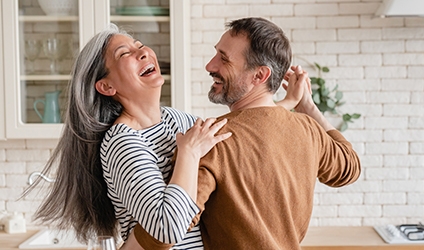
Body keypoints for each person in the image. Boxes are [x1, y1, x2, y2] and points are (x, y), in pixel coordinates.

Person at [135, 17, 362, 249]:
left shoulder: (211, 140)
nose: (210, 66)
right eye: (216, 54)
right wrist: (307, 106)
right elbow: (350, 168)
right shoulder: (308, 129)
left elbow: (163, 236)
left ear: (260, 76)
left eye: (224, 60)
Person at [24, 23, 234, 248]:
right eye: (125, 54)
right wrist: (189, 154)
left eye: (140, 46)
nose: (143, 52)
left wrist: (274, 108)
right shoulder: (122, 143)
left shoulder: (178, 120)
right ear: (106, 86)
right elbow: (168, 229)